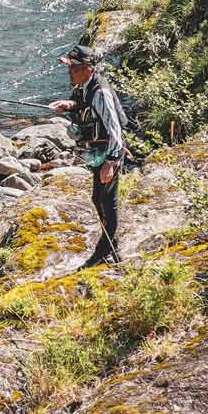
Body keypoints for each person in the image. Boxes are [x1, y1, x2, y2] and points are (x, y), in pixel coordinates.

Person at [50, 44, 126, 269]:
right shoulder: (83, 86)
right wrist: (69, 105)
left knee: (106, 201)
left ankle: (106, 251)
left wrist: (111, 163)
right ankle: (111, 246)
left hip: (109, 152)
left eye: (73, 68)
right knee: (98, 199)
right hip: (98, 151)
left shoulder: (101, 93)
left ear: (88, 69)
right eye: (70, 67)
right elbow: (82, 103)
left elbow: (115, 131)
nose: (69, 72)